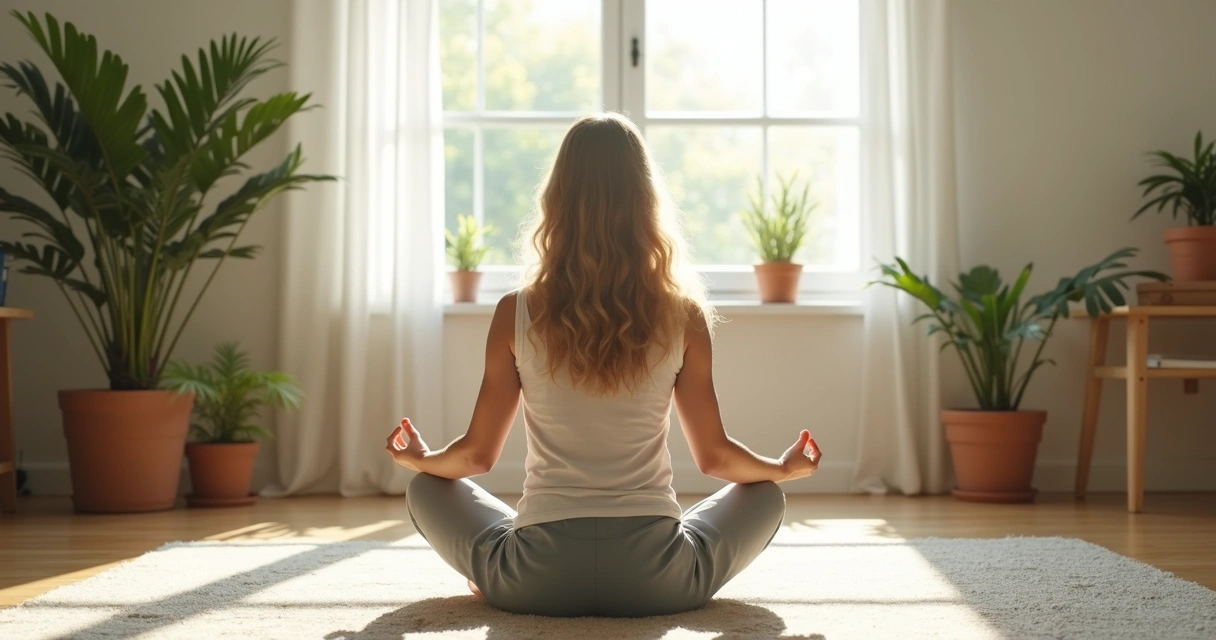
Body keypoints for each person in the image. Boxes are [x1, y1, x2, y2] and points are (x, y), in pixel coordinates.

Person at [385, 112, 822, 618]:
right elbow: (716, 460)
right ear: (646, 204)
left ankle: (496, 572)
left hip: (534, 581)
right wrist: (782, 468)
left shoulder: (515, 312)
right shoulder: (684, 316)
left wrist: (421, 459)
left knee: (427, 488)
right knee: (765, 496)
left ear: (557, 201)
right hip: (658, 581)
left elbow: (476, 457)